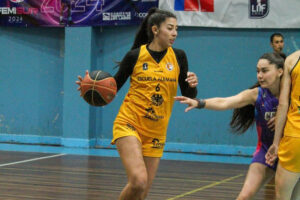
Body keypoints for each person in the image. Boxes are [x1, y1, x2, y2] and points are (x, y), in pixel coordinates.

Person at [77, 8, 198, 200]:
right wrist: (92, 86)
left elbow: (188, 95)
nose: (175, 33)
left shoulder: (179, 56)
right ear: (156, 30)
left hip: (157, 131)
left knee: (141, 193)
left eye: (176, 29)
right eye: (170, 28)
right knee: (138, 181)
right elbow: (112, 87)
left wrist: (192, 85)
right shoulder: (135, 56)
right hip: (129, 123)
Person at [175, 53, 285, 200]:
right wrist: (199, 103)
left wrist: (285, 117)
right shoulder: (256, 94)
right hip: (266, 151)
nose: (260, 75)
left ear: (280, 71)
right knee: (244, 196)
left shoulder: (293, 95)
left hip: (290, 152)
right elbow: (225, 102)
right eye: (257, 71)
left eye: (265, 71)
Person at [265, 50, 300, 200]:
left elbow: (283, 103)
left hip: (295, 137)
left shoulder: (292, 60)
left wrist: (275, 143)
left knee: (283, 196)